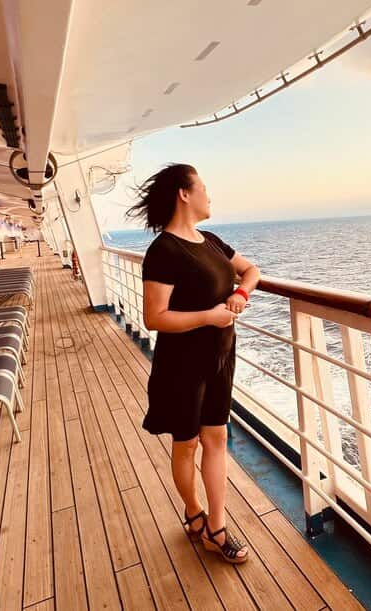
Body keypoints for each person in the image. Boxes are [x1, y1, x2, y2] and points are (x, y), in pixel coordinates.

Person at [127, 163, 260, 564]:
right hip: (182, 364)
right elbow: (155, 317)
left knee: (216, 438)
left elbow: (252, 270)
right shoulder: (164, 251)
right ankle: (193, 511)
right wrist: (207, 316)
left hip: (219, 356)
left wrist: (241, 295)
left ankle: (215, 527)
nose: (209, 194)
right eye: (203, 187)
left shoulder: (212, 241)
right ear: (184, 194)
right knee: (186, 444)